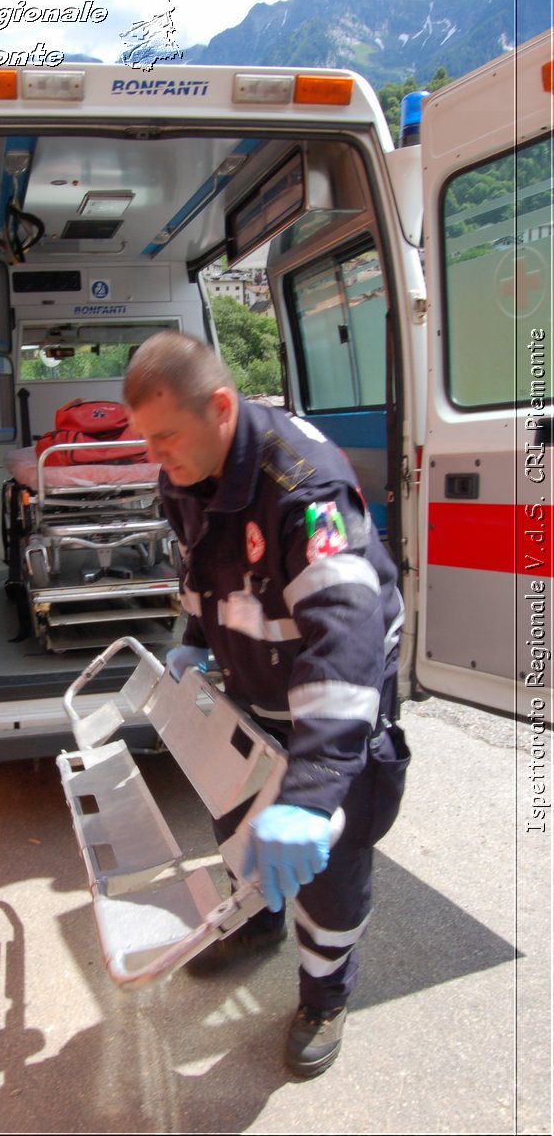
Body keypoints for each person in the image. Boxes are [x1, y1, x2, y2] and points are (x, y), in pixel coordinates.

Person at [123, 331, 409, 1078]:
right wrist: (193, 636)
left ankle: (325, 994)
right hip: (253, 678)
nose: (157, 456)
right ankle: (257, 924)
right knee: (239, 811)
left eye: (165, 437)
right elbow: (202, 563)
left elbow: (343, 639)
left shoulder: (302, 487)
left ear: (221, 407)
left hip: (330, 690)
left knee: (331, 863)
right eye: (146, 441)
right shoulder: (188, 471)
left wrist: (312, 795)